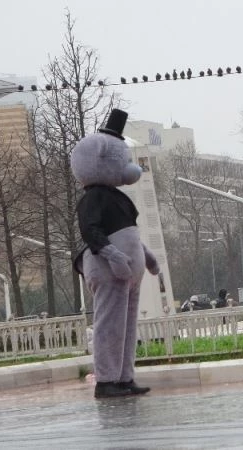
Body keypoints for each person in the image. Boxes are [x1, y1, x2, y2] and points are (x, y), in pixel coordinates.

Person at [71, 108, 160, 398]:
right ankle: (106, 380)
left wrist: (145, 255)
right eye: (121, 160)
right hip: (108, 270)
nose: (129, 167)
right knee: (109, 324)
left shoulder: (115, 197)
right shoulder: (93, 198)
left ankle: (124, 377)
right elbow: (91, 231)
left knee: (127, 327)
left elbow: (128, 233)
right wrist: (113, 256)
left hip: (127, 273)